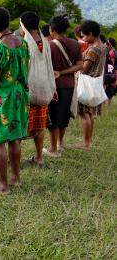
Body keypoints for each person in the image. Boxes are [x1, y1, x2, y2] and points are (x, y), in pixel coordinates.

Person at [0, 7, 29, 195]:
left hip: (3, 98)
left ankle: (3, 186)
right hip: (19, 95)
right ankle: (16, 178)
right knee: (14, 137)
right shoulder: (23, 43)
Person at [19, 11, 56, 167]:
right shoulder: (45, 41)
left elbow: (22, 70)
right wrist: (52, 87)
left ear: (24, 26)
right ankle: (39, 157)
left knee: (20, 126)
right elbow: (49, 66)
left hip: (29, 91)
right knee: (40, 125)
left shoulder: (24, 43)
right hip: (43, 90)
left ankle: (14, 159)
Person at [45, 15, 83, 157]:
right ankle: (60, 144)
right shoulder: (75, 44)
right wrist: (63, 72)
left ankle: (53, 148)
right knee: (63, 116)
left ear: (52, 29)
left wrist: (58, 72)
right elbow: (80, 66)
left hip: (53, 87)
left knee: (53, 118)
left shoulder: (49, 45)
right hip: (69, 85)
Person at [76, 20, 107, 151]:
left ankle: (85, 143)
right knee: (89, 113)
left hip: (87, 83)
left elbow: (84, 69)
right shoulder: (102, 46)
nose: (83, 38)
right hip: (95, 83)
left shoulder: (93, 49)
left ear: (91, 34)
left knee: (84, 114)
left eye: (84, 36)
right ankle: (87, 141)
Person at [104, 38, 117, 104]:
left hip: (111, 74)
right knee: (110, 91)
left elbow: (111, 65)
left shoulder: (111, 52)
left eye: (107, 43)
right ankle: (109, 104)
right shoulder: (114, 51)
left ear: (110, 44)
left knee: (109, 90)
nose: (106, 45)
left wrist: (109, 76)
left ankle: (108, 105)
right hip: (113, 73)